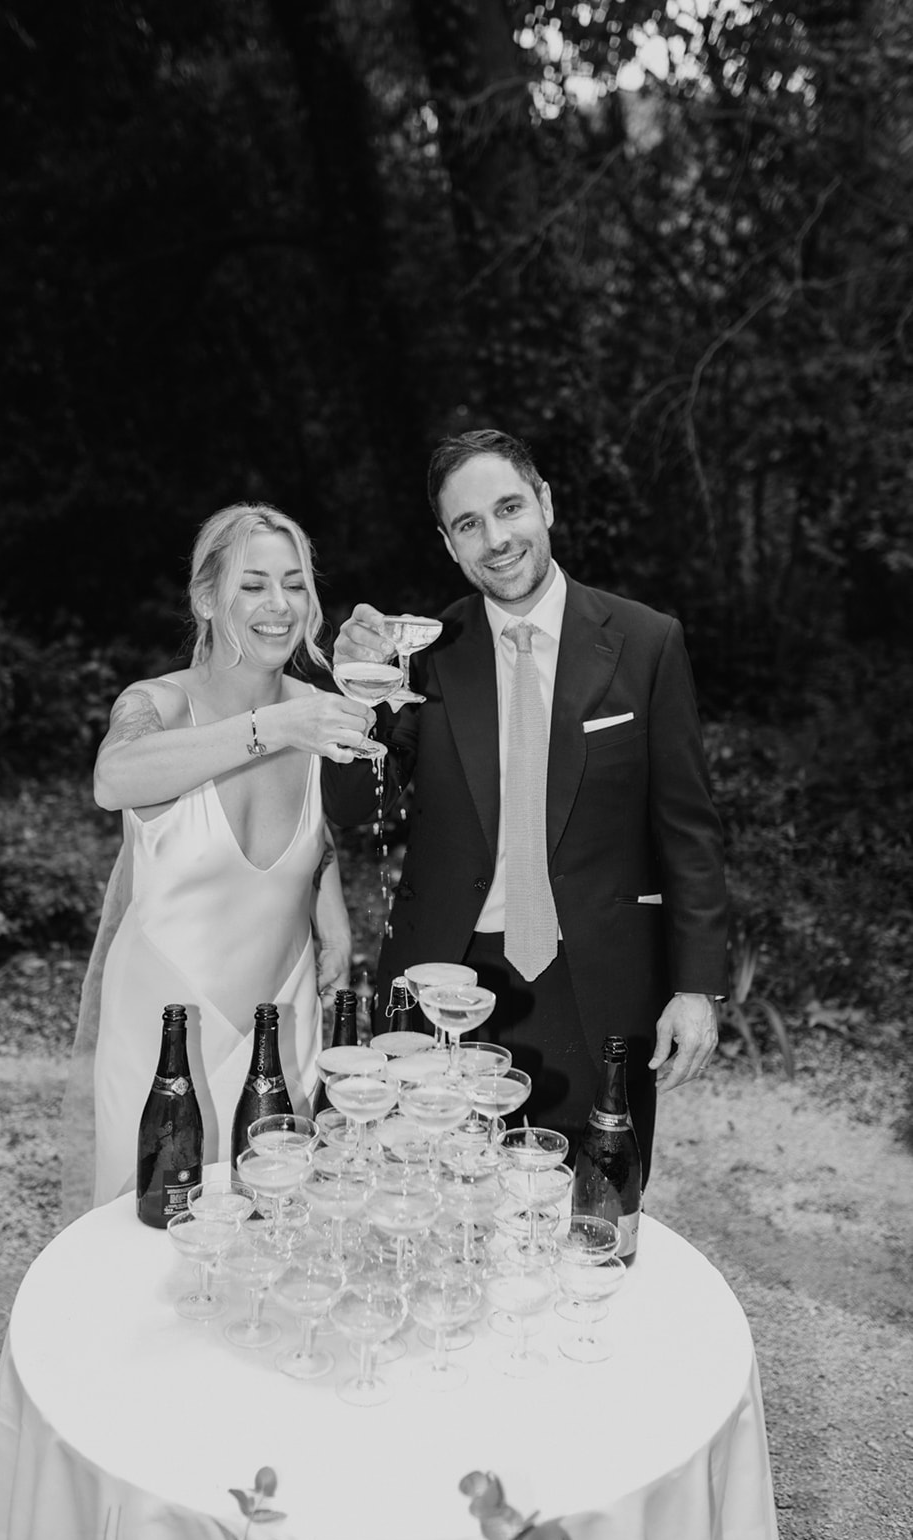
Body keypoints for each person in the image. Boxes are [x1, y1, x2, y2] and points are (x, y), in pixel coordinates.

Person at [323, 429, 729, 1182]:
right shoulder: (424, 654)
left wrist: (697, 985)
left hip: (597, 983)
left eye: (509, 508)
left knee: (589, 1211)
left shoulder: (646, 643)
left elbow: (688, 831)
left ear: (544, 502)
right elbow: (351, 805)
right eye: (469, 523)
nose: (496, 538)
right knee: (433, 1202)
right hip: (444, 981)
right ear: (448, 544)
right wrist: (355, 686)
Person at [61, 502, 374, 1218]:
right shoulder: (157, 706)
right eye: (252, 585)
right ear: (206, 598)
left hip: (281, 1022)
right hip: (164, 1036)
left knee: (275, 1225)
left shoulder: (316, 709)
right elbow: (113, 779)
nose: (279, 605)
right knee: (151, 1232)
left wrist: (332, 913)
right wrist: (274, 726)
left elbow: (320, 829)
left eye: (295, 584)